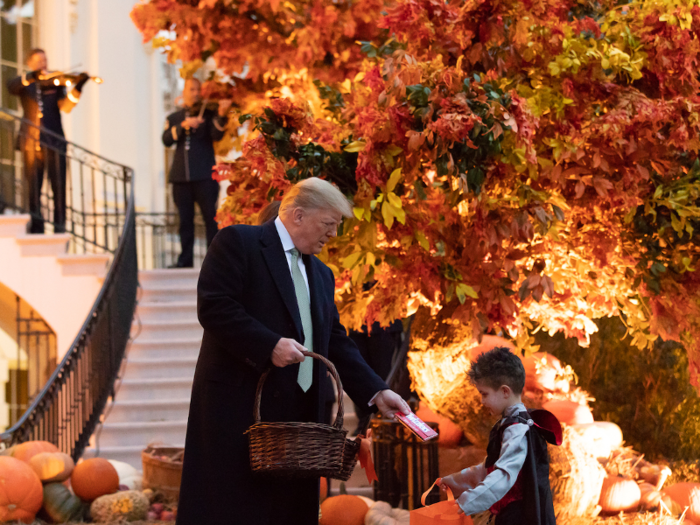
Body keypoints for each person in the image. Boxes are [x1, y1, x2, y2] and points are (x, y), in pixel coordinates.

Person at [176, 177, 411, 525]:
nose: (333, 235)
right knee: (233, 512)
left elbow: (334, 341)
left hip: (302, 421)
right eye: (328, 224)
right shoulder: (238, 242)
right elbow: (214, 306)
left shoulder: (322, 274)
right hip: (239, 414)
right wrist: (268, 345)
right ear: (298, 215)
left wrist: (377, 391)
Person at [438, 347, 560, 525]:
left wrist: (464, 505)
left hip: (519, 518)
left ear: (505, 391)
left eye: (484, 394)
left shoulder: (517, 429)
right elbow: (490, 468)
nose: (482, 401)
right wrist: (453, 482)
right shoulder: (513, 424)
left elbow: (503, 476)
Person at [7, 49, 89, 233]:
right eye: (39, 62)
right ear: (30, 64)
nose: (43, 65)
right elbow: (10, 86)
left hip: (55, 142)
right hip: (31, 142)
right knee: (34, 188)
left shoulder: (57, 83)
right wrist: (31, 77)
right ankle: (37, 226)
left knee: (59, 187)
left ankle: (60, 227)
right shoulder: (25, 84)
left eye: (45, 61)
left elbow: (66, 107)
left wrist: (78, 87)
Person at [162, 78, 232, 268]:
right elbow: (166, 139)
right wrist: (184, 125)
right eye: (191, 89)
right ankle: (185, 260)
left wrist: (222, 114)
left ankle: (213, 263)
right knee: (185, 222)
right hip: (180, 178)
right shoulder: (175, 117)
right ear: (183, 91)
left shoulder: (208, 114)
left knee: (211, 219)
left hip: (204, 176)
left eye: (198, 89)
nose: (195, 93)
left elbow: (217, 135)